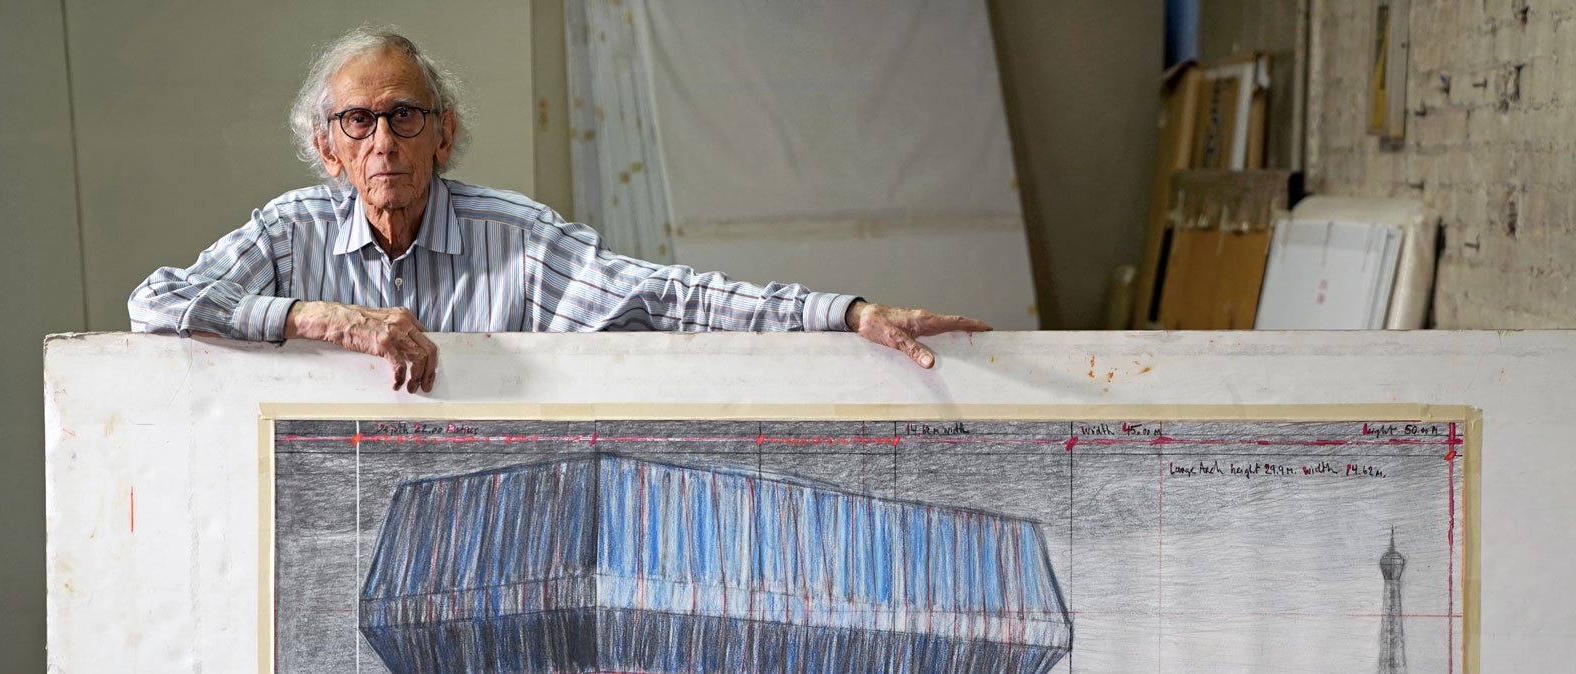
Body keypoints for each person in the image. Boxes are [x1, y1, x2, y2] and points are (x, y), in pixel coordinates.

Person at [129, 25, 989, 394]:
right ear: (329, 148)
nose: (382, 138)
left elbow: (666, 298)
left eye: (405, 115)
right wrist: (325, 319)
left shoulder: (516, 242)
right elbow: (154, 303)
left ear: (443, 135)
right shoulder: (290, 232)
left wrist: (846, 313)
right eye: (358, 120)